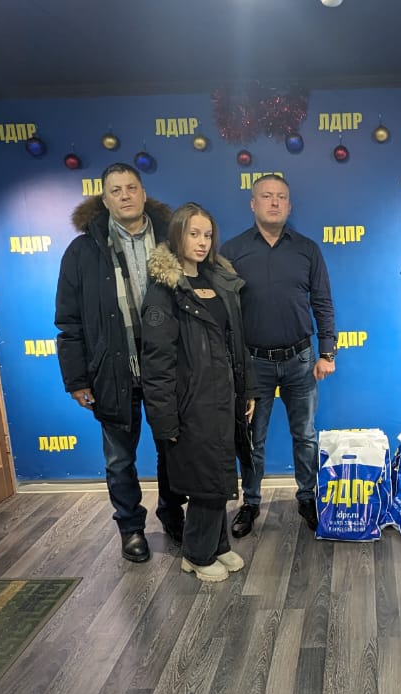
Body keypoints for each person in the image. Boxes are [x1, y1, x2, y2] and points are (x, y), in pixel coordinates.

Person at [55, 163, 186, 564]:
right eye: (116, 190)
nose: (125, 195)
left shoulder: (172, 241)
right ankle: (130, 528)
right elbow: (69, 321)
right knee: (119, 459)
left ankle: (173, 515)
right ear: (105, 198)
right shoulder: (82, 251)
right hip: (113, 371)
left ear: (143, 194)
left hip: (167, 371)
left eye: (131, 187)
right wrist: (77, 378)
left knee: (173, 451)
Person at [140, 203, 255, 582]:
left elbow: (236, 342)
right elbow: (157, 364)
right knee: (205, 482)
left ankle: (216, 545)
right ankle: (195, 553)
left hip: (224, 399)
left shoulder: (217, 281)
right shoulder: (165, 292)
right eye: (194, 234)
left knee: (219, 477)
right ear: (177, 236)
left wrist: (246, 390)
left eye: (207, 235)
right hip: (191, 404)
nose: (202, 242)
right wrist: (164, 420)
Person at [221, 174, 336, 538]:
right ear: (253, 204)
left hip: (300, 359)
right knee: (252, 439)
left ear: (289, 205)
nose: (274, 202)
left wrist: (327, 351)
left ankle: (307, 497)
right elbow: (223, 313)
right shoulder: (231, 251)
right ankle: (251, 501)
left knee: (305, 435)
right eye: (266, 196)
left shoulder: (307, 249)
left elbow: (322, 302)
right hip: (253, 364)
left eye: (281, 197)